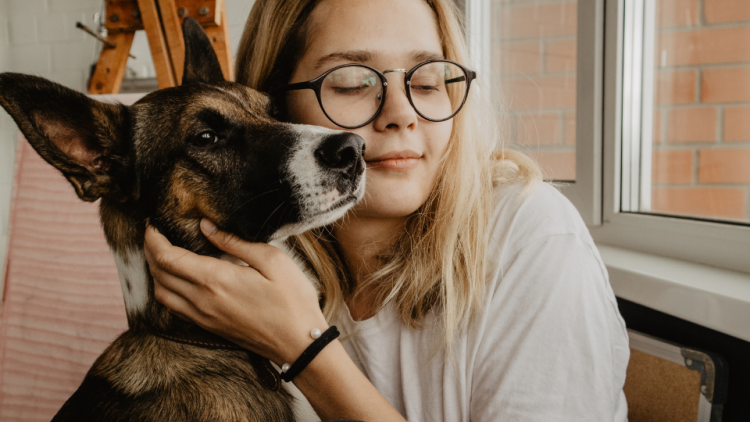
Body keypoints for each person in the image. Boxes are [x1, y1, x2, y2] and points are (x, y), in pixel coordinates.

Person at [144, 0, 630, 420]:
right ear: (272, 109)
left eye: (428, 79)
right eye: (353, 82)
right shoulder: (260, 277)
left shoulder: (533, 238)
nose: (401, 112)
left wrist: (305, 349)